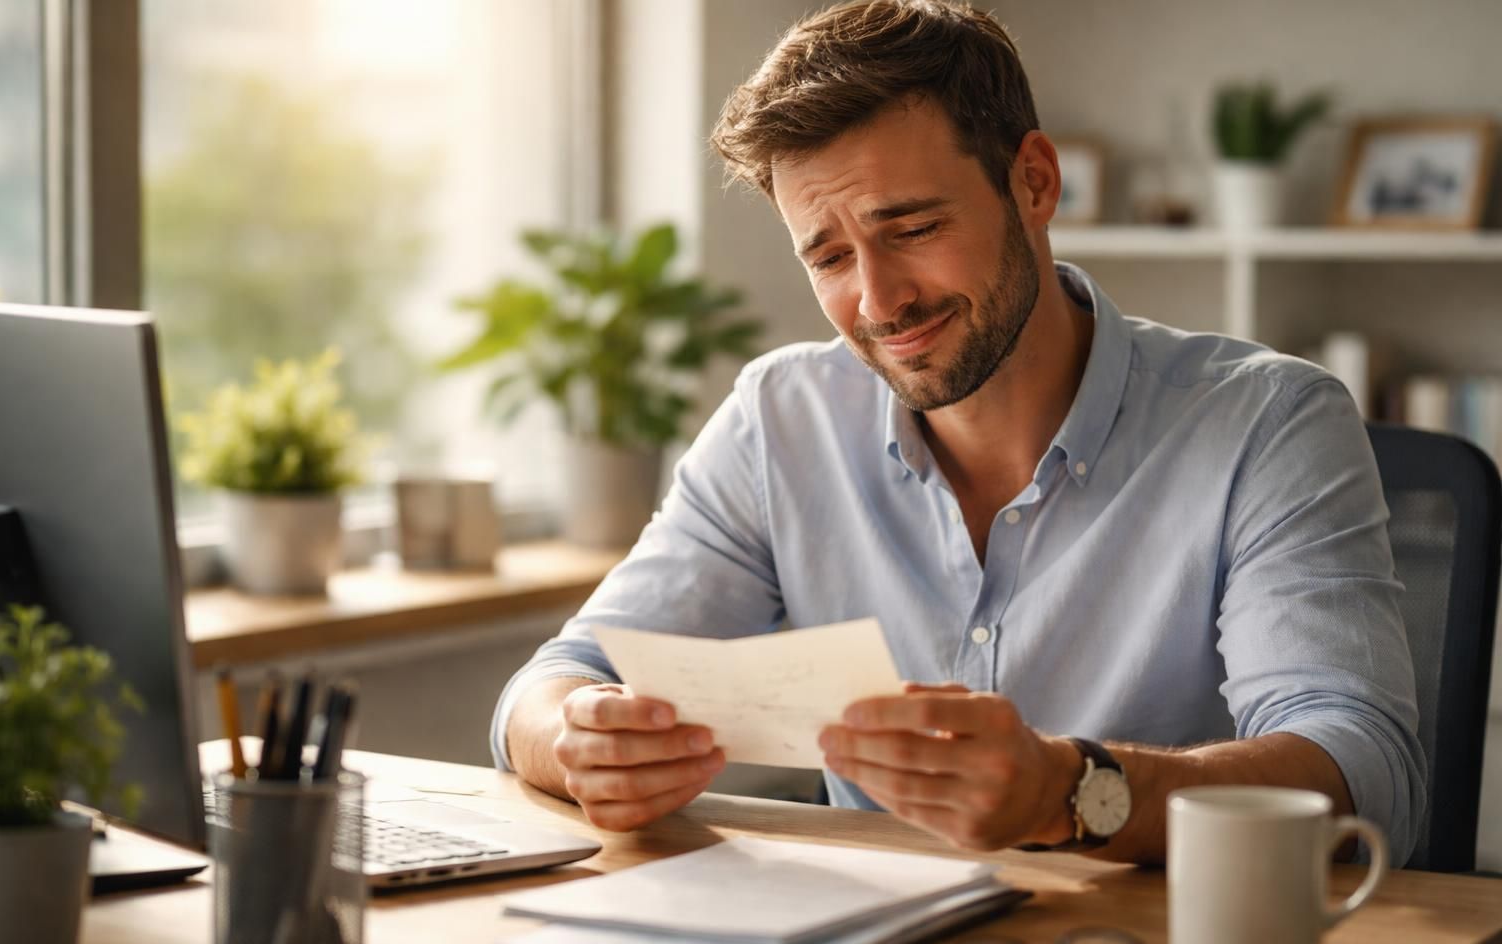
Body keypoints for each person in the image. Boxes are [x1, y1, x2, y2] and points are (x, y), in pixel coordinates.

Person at [490, 0, 1425, 866]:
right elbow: (556, 682)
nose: (877, 299)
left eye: (914, 227)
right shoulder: (781, 420)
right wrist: (581, 742)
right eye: (827, 255)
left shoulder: (1268, 421)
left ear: (1034, 182)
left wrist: (1074, 791)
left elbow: (1364, 779)